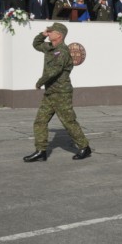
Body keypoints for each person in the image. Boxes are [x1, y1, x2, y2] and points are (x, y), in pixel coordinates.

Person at [24, 22, 91, 162]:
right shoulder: (49, 47)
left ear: (59, 35)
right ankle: (41, 151)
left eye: (51, 31)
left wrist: (40, 82)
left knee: (68, 121)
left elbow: (54, 71)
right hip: (50, 93)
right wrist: (42, 35)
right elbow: (36, 44)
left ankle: (84, 147)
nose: (49, 32)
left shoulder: (63, 51)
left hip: (61, 93)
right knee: (40, 121)